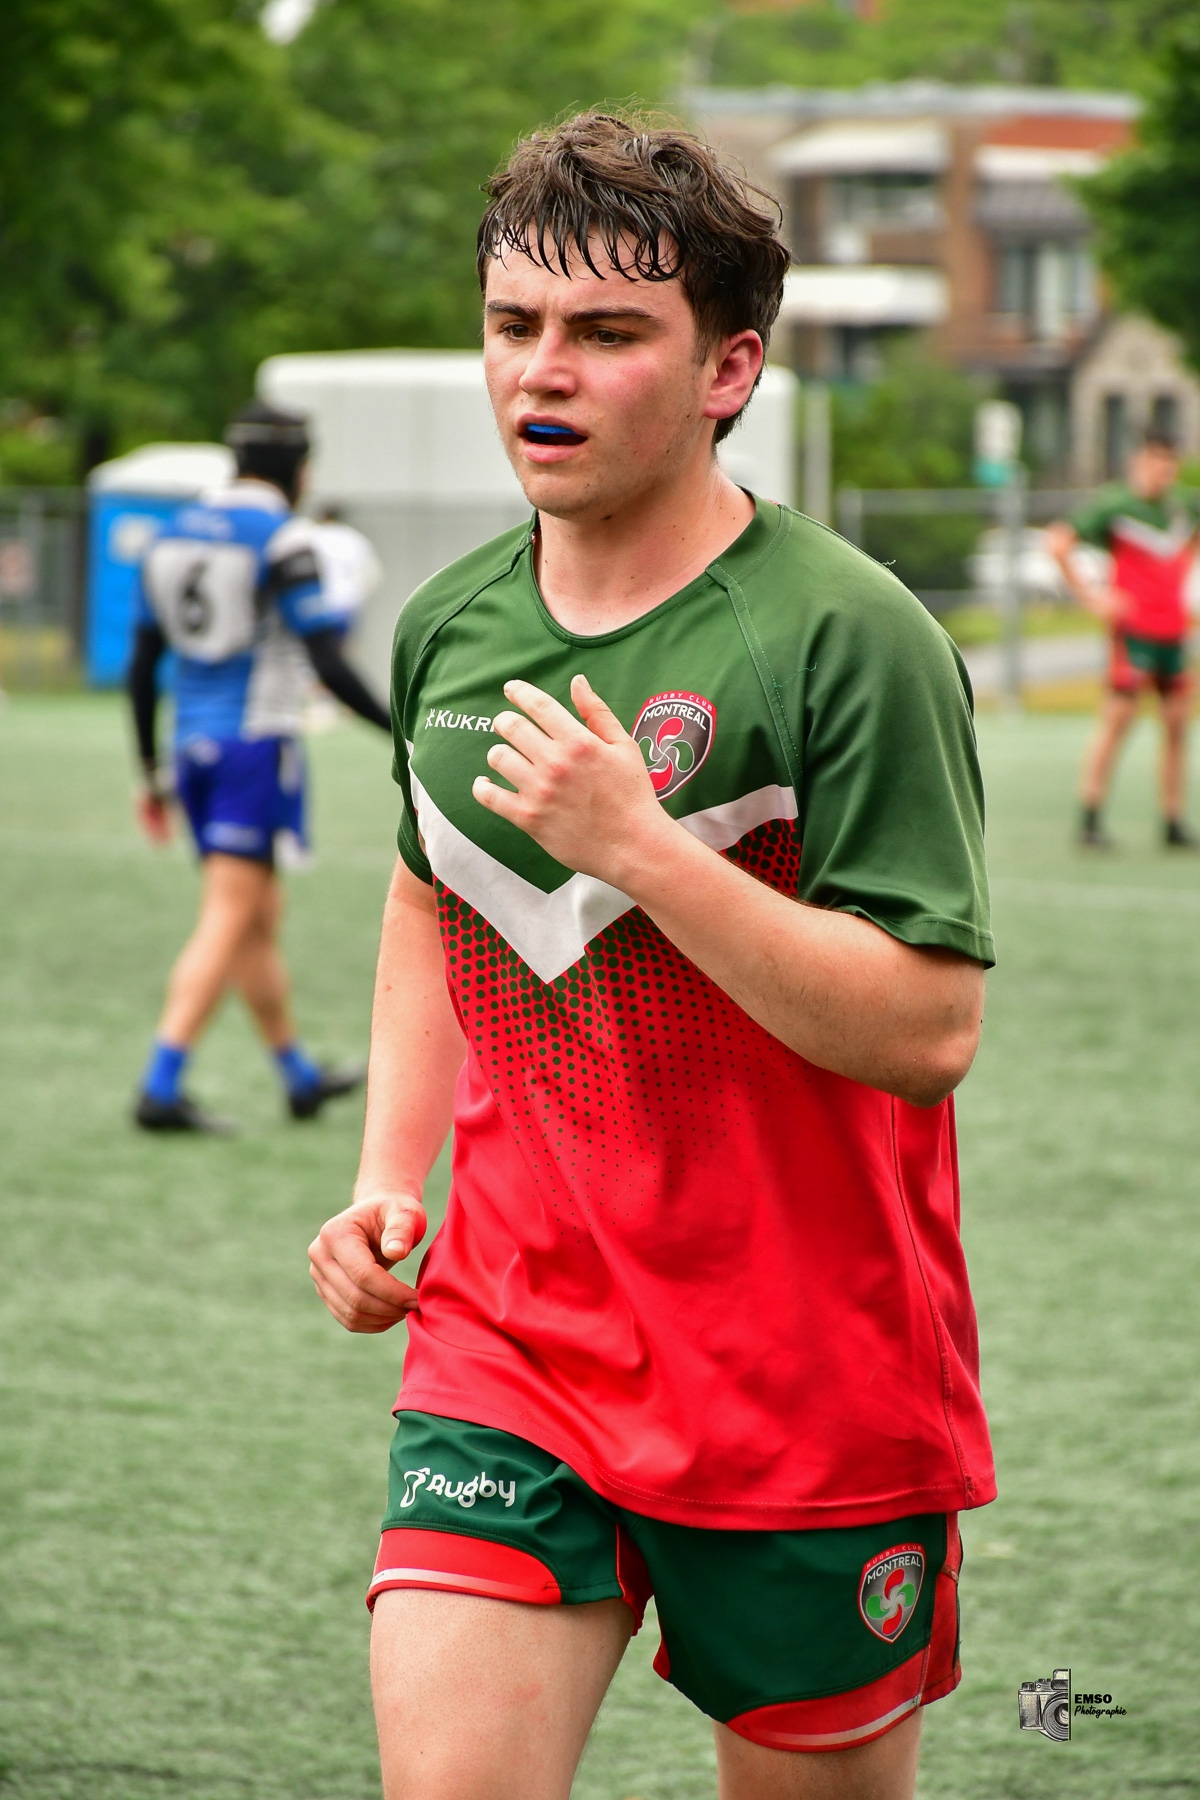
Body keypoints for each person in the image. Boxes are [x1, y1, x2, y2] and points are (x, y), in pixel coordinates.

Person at [308, 114, 996, 1800]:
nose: (545, 372)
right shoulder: (453, 623)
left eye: (609, 334)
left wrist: (639, 849)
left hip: (802, 1387)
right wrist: (390, 1175)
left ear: (726, 368)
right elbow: (427, 894)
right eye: (514, 324)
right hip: (510, 1347)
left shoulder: (855, 637)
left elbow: (926, 1030)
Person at [128, 401, 393, 1133]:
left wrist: (147, 769)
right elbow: (328, 660)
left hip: (191, 747)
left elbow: (144, 661)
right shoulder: (282, 538)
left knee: (255, 918)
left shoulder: (169, 533)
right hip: (254, 747)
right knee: (229, 915)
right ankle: (161, 1081)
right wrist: (403, 734)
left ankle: (297, 1075)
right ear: (299, 470)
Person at [1046, 430, 1200, 850]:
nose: (1162, 472)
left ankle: (1172, 820)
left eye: (1169, 464)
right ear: (1138, 462)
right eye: (1155, 462)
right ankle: (1090, 818)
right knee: (1118, 721)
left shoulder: (1182, 505)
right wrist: (1092, 596)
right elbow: (1057, 542)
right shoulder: (1116, 505)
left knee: (1176, 726)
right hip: (1133, 634)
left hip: (1174, 632)